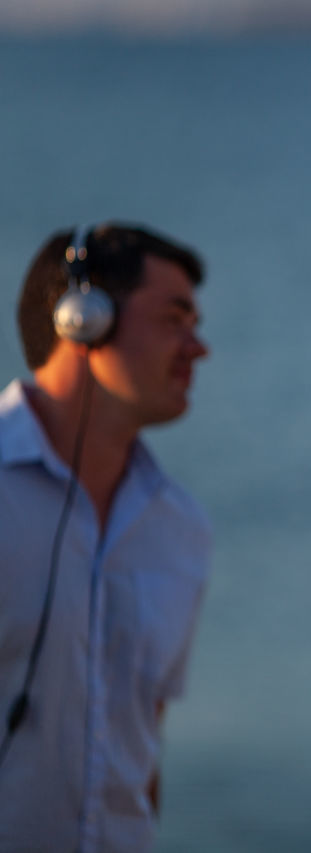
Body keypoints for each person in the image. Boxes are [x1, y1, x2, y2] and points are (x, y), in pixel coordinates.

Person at [0, 224, 211, 852]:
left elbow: (143, 747)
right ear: (83, 319)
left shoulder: (182, 528)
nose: (198, 348)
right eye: (175, 318)